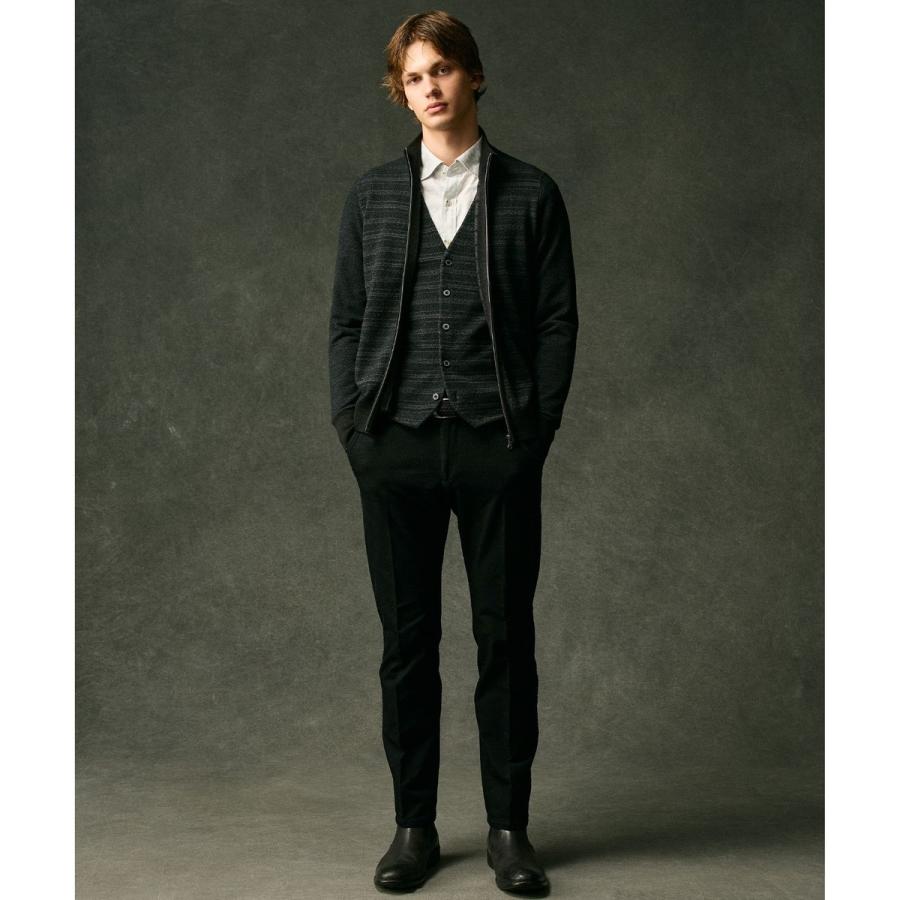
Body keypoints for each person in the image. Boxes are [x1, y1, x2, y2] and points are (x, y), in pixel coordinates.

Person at [329, 9, 577, 894]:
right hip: (393, 447)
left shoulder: (532, 194)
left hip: (495, 448)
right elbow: (347, 322)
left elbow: (556, 322)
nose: (428, 87)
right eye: (413, 77)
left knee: (506, 639)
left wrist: (532, 435)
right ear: (401, 93)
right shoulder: (371, 198)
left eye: (441, 69)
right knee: (407, 645)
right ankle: (414, 828)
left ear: (473, 76)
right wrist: (355, 430)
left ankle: (509, 830)